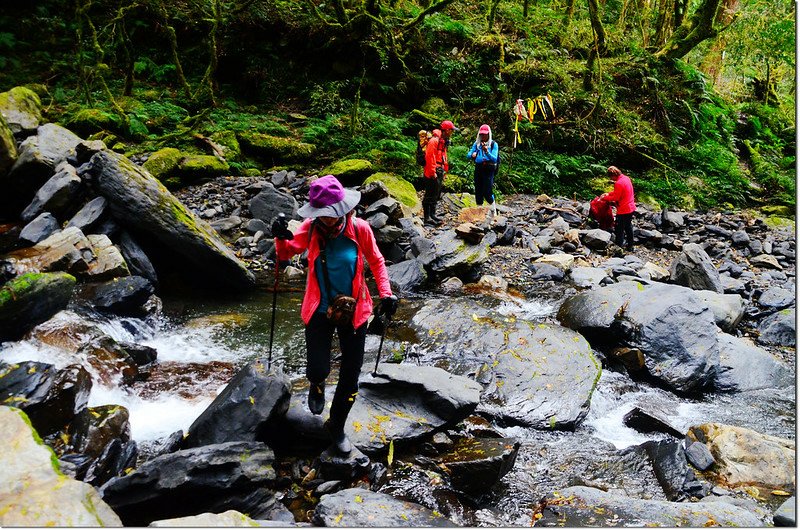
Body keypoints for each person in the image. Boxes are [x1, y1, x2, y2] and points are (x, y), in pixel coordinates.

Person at [272, 175, 398, 454]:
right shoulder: (310, 228)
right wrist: (280, 236)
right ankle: (317, 384)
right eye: (322, 215)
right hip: (319, 308)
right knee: (318, 368)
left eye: (331, 215)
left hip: (355, 310)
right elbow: (285, 254)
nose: (327, 220)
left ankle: (337, 425)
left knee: (350, 377)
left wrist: (386, 294)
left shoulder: (360, 229)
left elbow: (377, 261)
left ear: (343, 208)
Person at [422, 120, 457, 226]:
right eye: (451, 130)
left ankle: (432, 215)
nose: (452, 132)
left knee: (436, 194)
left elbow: (443, 156)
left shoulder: (443, 141)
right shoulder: (434, 140)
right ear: (446, 130)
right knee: (429, 194)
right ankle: (426, 218)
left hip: (439, 170)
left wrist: (444, 170)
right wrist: (433, 172)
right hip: (432, 170)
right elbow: (429, 156)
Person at [467, 124, 499, 214]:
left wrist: (486, 152)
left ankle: (493, 210)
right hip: (479, 168)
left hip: (489, 168)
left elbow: (494, 158)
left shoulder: (493, 144)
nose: (483, 136)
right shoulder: (476, 144)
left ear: (489, 134)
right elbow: (468, 154)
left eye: (485, 134)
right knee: (478, 190)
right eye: (481, 134)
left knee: (487, 190)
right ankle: (479, 211)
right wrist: (472, 155)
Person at [601, 166, 636, 250]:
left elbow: (616, 197)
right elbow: (619, 192)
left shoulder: (618, 183)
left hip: (624, 209)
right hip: (631, 207)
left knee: (619, 229)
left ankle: (618, 248)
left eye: (611, 177)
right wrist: (608, 194)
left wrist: (604, 197)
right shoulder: (626, 178)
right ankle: (630, 246)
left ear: (613, 175)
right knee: (628, 226)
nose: (612, 179)